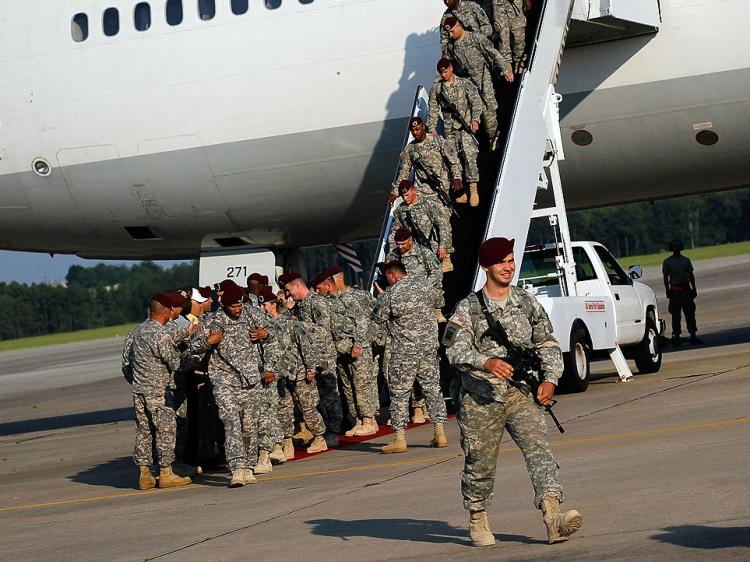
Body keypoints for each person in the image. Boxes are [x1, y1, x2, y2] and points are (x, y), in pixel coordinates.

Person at [443, 237, 582, 547]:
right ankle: (477, 517)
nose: (507, 267)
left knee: (540, 452)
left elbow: (546, 342)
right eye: (500, 262)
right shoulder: (467, 308)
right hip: (481, 399)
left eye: (509, 260)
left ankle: (553, 517)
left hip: (520, 395)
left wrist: (550, 379)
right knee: (480, 463)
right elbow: (453, 350)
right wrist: (487, 361)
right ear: (486, 267)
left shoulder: (525, 301)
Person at [205, 284, 278, 488]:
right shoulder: (214, 320)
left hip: (250, 379)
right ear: (223, 304)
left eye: (239, 305)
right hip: (224, 379)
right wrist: (207, 342)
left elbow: (275, 331)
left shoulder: (251, 314)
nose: (237, 310)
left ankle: (247, 465)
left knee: (249, 424)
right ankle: (236, 467)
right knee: (231, 420)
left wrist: (265, 335)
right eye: (233, 306)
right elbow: (195, 345)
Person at [373, 261, 448, 454]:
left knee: (399, 394)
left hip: (404, 352)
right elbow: (439, 303)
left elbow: (378, 319)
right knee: (432, 389)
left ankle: (399, 439)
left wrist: (381, 297)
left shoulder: (390, 294)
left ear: (392, 275)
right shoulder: (425, 286)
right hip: (429, 349)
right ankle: (440, 433)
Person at [126, 293, 198, 490]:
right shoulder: (161, 335)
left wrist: (185, 333)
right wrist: (196, 360)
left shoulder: (140, 331)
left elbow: (130, 363)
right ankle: (166, 473)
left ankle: (145, 474)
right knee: (166, 430)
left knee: (144, 432)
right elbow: (176, 362)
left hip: (140, 390)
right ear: (166, 311)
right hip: (158, 391)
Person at [260, 287, 329, 456]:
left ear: (274, 306)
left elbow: (305, 345)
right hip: (280, 376)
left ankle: (319, 437)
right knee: (284, 409)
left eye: (265, 305)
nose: (262, 309)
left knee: (308, 407)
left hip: (298, 372)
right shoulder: (264, 327)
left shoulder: (290, 323)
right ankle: (287, 441)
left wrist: (310, 368)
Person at [279, 271, 340, 449]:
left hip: (324, 356)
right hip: (307, 358)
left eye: (289, 290)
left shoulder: (317, 302)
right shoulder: (298, 306)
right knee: (314, 398)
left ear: (298, 285)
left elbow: (323, 330)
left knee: (328, 395)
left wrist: (298, 325)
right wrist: (286, 310)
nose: (289, 294)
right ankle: (318, 431)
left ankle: (333, 431)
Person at [314, 269, 379, 437]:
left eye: (319, 287)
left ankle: (369, 420)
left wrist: (357, 344)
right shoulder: (326, 302)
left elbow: (362, 321)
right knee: (348, 387)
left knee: (362, 384)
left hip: (357, 349)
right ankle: (358, 419)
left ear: (328, 285)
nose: (317, 291)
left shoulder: (348, 299)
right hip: (342, 351)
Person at [443, 16, 513, 149]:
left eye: (452, 31)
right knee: (482, 110)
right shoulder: (452, 47)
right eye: (449, 33)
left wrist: (505, 69)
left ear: (459, 27)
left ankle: (495, 135)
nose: (450, 35)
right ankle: (493, 136)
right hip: (469, 81)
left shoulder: (475, 38)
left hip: (483, 76)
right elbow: (447, 65)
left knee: (489, 107)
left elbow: (493, 53)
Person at [428, 58, 483, 207]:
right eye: (441, 72)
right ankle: (461, 192)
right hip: (449, 129)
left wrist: (475, 120)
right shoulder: (437, 89)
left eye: (445, 71)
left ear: (451, 68)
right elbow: (433, 109)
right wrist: (432, 128)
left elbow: (476, 102)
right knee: (453, 160)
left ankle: (473, 189)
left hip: (464, 127)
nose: (444, 74)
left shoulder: (464, 84)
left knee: (469, 155)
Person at [391, 116, 463, 220]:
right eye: (413, 131)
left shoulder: (438, 141)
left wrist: (456, 178)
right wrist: (395, 192)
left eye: (417, 129)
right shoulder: (409, 150)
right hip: (422, 190)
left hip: (442, 187)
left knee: (442, 218)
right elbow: (404, 173)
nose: (415, 133)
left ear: (423, 127)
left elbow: (453, 161)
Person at [390, 179, 454, 273]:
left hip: (435, 245)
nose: (405, 198)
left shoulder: (427, 203)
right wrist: (393, 254)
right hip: (419, 250)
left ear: (414, 191)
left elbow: (442, 224)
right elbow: (396, 232)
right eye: (403, 196)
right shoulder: (400, 210)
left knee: (445, 272)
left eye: (407, 195)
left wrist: (443, 246)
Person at [662, 239, 702, 346]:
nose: (676, 248)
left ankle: (693, 334)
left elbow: (691, 276)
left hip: (686, 290)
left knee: (690, 314)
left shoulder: (686, 260)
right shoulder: (667, 262)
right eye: (674, 246)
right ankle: (676, 336)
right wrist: (667, 290)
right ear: (671, 248)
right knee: (675, 315)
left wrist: (694, 288)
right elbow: (665, 278)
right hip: (675, 291)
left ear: (681, 247)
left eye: (678, 246)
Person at [492, 0, 533, 73]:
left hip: (514, 3)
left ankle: (519, 65)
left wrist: (527, 2)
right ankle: (507, 67)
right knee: (502, 35)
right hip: (498, 3)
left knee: (518, 35)